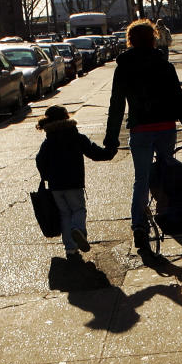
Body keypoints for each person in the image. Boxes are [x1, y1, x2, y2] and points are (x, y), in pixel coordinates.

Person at [103, 19, 182, 250]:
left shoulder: (124, 68)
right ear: (154, 39)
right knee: (166, 170)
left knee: (142, 179)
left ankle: (139, 225)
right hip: (166, 127)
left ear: (130, 41)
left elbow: (116, 106)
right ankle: (168, 213)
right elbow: (179, 101)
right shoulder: (164, 66)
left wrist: (111, 140)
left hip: (140, 130)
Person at [36, 105, 116, 262]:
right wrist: (110, 151)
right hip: (74, 183)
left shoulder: (48, 141)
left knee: (65, 214)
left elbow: (40, 160)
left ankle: (70, 249)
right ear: (67, 118)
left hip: (56, 186)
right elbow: (94, 152)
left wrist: (46, 176)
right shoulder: (76, 136)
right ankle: (77, 230)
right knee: (78, 209)